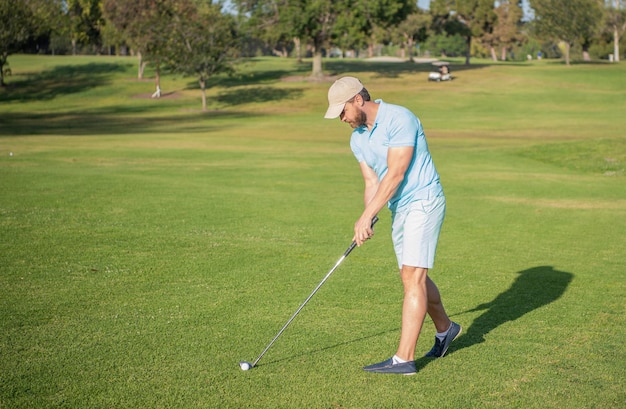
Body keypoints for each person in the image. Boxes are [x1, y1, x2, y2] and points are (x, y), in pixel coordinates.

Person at [324, 77, 461, 375]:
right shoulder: (357, 138)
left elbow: (396, 173)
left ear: (358, 100)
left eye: (343, 111)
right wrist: (368, 216)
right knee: (412, 277)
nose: (342, 118)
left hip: (424, 201)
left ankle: (404, 359)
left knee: (413, 276)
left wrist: (366, 215)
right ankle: (446, 329)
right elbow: (372, 182)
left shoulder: (400, 118)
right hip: (399, 208)